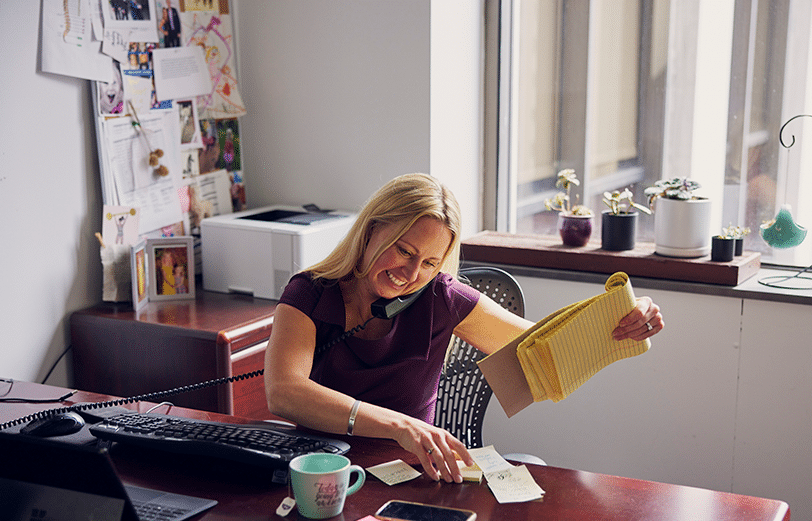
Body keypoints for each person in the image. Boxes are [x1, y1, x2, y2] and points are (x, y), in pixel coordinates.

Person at [264, 173, 664, 484]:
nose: (409, 274)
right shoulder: (309, 293)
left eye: (429, 263)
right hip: (321, 470)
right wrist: (399, 425)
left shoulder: (441, 297)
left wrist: (624, 313)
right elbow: (284, 392)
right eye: (404, 250)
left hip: (410, 476)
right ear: (370, 229)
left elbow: (546, 344)